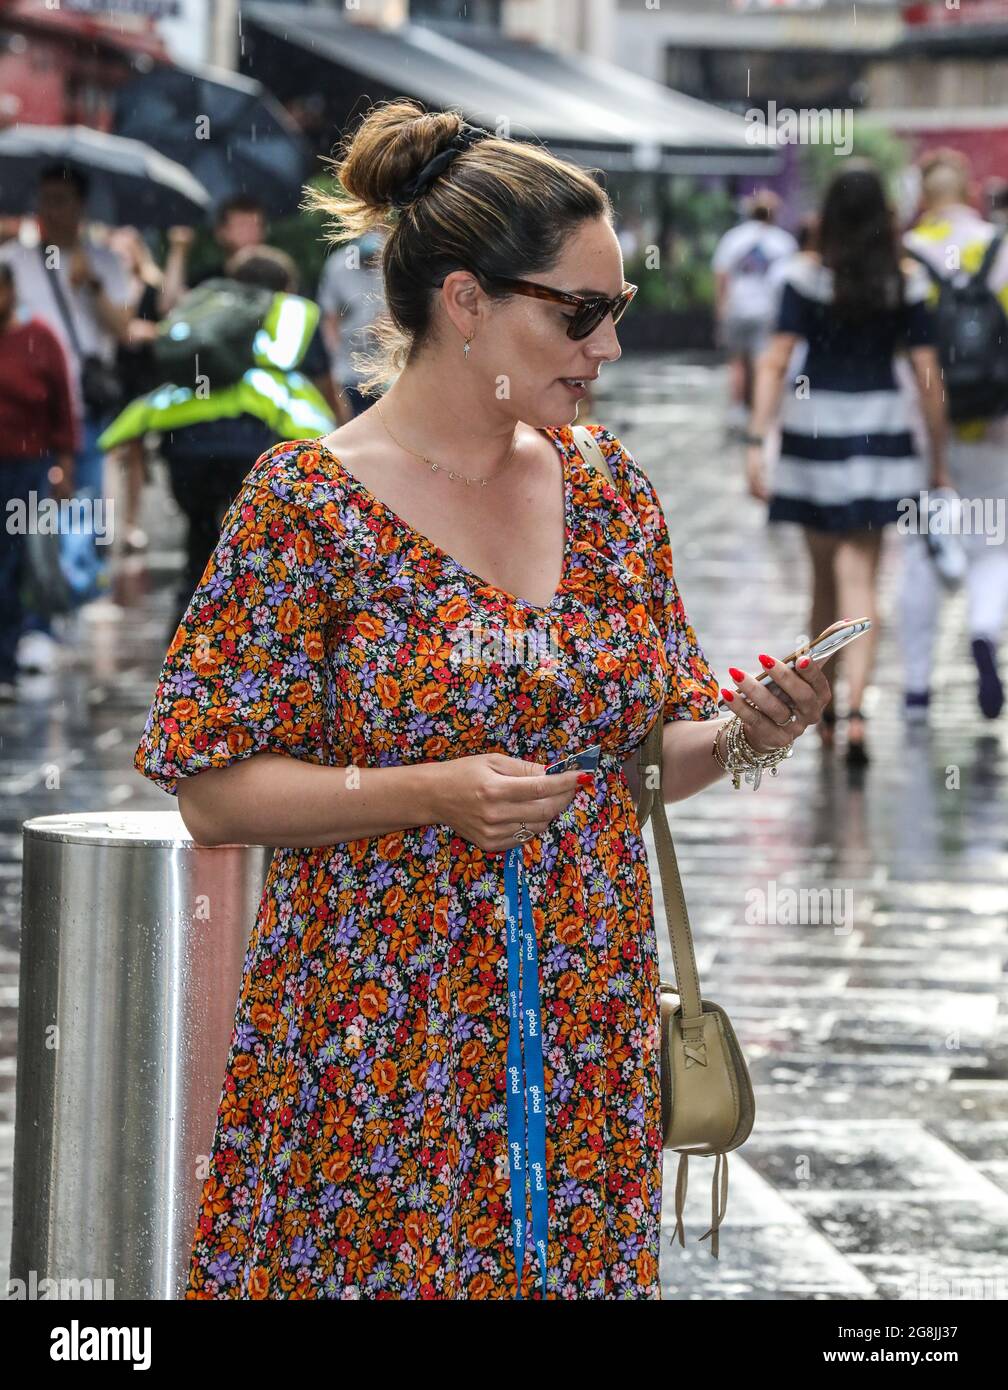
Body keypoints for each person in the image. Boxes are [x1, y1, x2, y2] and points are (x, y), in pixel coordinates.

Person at [132, 98, 831, 1301]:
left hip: (584, 1031)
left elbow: (643, 756)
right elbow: (210, 792)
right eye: (581, 312)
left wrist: (744, 732)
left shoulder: (610, 490)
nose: (608, 345)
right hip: (369, 1046)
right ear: (465, 303)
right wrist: (430, 794)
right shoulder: (305, 506)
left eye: (612, 311)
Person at [746, 162, 947, 766]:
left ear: (827, 216)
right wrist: (937, 460)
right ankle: (859, 710)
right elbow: (928, 376)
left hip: (816, 431)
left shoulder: (803, 280)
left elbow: (776, 362)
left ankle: (822, 707)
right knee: (863, 577)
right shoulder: (907, 283)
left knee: (822, 580)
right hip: (883, 433)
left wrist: (758, 440)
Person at [100, 243, 336, 638]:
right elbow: (320, 380)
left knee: (199, 537)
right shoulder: (291, 314)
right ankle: (249, 633)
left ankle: (186, 634)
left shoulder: (206, 306)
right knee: (255, 546)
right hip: (252, 448)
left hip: (187, 448)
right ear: (287, 287)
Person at [0, 163, 131, 668]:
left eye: (63, 200)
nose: (52, 210)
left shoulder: (104, 262)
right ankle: (32, 622)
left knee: (76, 514)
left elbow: (123, 329)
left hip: (88, 408)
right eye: (46, 198)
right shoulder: (13, 261)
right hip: (31, 414)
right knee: (27, 524)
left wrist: (93, 288)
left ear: (81, 206)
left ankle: (61, 603)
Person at [899, 149, 1008, 722]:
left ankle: (917, 688)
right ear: (968, 190)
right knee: (995, 545)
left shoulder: (909, 256)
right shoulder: (1001, 248)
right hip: (995, 425)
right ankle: (984, 631)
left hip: (923, 429)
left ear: (923, 195)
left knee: (922, 550)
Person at [0, 262, 78, 699]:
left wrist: (64, 463)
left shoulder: (38, 339)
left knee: (14, 564)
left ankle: (5, 661)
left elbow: (62, 408)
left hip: (25, 470)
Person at [712, 190, 797, 436]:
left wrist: (721, 308)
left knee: (737, 361)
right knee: (763, 363)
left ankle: (737, 410)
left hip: (736, 308)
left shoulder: (733, 238)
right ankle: (762, 411)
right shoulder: (783, 242)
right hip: (768, 311)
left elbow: (721, 275)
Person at [107, 226, 170, 555]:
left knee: (131, 451)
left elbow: (169, 325)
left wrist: (149, 331)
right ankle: (107, 523)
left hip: (140, 377)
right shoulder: (101, 289)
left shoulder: (150, 287)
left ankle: (130, 523)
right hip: (108, 377)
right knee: (111, 450)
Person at [317, 230, 386, 421]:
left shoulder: (395, 261)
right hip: (347, 370)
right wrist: (331, 355)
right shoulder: (340, 266)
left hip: (386, 370)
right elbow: (329, 317)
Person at [160, 195, 267, 311]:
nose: (250, 232)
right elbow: (169, 307)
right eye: (242, 225)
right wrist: (179, 250)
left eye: (255, 225)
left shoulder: (272, 276)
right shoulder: (209, 280)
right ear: (221, 233)